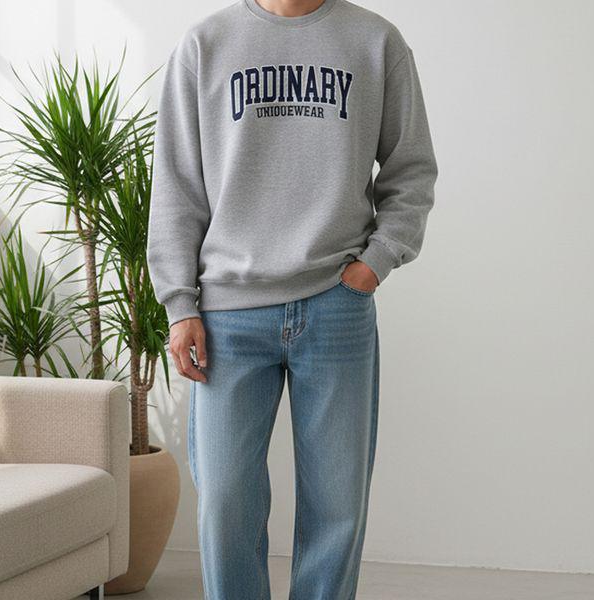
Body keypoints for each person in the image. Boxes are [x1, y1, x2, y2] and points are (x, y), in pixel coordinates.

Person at [147, 0, 438, 597]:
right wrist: (180, 306)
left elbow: (411, 170)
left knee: (337, 508)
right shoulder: (205, 44)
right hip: (228, 315)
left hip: (336, 305)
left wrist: (376, 262)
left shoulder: (376, 42)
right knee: (225, 503)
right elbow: (176, 186)